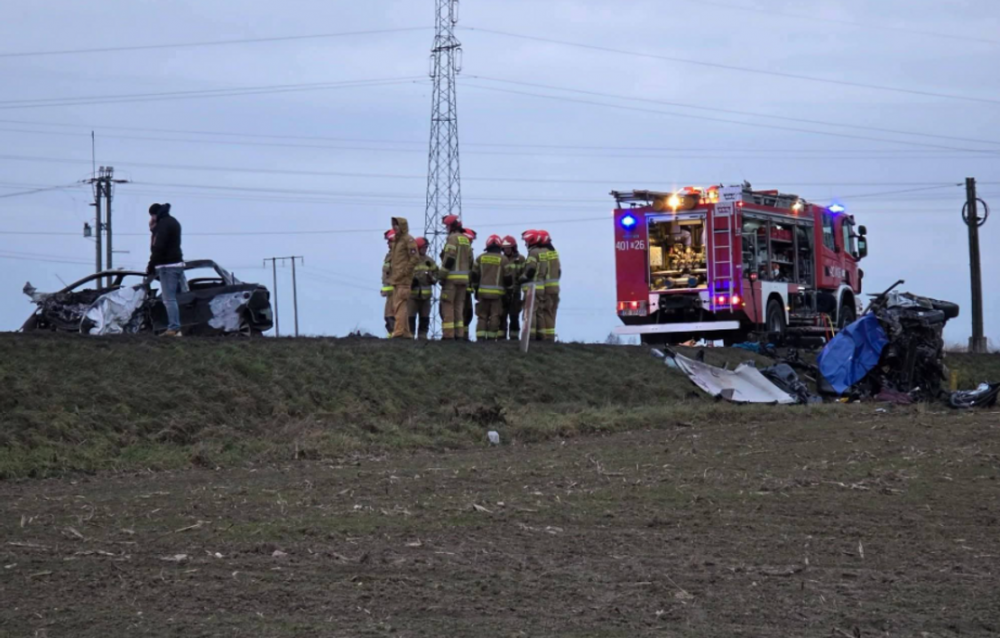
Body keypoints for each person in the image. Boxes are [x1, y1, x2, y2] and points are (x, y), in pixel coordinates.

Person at [148, 203, 186, 337]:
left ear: (154, 215)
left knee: (168, 299)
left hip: (167, 266)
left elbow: (158, 247)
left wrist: (151, 264)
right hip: (176, 264)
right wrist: (154, 230)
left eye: (151, 216)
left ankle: (174, 328)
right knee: (176, 298)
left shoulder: (163, 225)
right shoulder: (173, 222)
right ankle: (176, 327)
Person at [438, 215, 472, 339]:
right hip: (464, 279)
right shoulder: (465, 239)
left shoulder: (452, 238)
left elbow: (450, 258)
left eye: (447, 226)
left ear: (451, 226)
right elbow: (470, 260)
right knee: (459, 306)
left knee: (448, 305)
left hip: (451, 279)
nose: (446, 228)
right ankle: (459, 334)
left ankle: (448, 335)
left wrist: (442, 275)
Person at [387, 217, 421, 339]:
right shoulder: (397, 240)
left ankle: (399, 331)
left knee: (399, 305)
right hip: (397, 279)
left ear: (402, 226)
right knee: (400, 305)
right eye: (393, 225)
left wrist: (405, 272)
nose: (394, 227)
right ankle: (406, 332)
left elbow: (415, 258)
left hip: (403, 279)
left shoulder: (408, 240)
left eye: (396, 225)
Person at [471, 235, 509, 341]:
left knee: (482, 316)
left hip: (482, 293)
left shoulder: (480, 258)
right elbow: (508, 277)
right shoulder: (504, 259)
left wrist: (475, 289)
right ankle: (491, 338)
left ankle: (480, 337)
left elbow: (474, 275)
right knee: (495, 316)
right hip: (497, 294)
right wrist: (509, 291)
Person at [408, 237, 437, 340]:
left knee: (425, 317)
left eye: (426, 248)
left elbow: (436, 275)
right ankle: (410, 335)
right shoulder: (410, 261)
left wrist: (432, 278)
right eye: (423, 247)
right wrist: (411, 281)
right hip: (412, 295)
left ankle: (422, 335)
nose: (425, 249)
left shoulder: (430, 261)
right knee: (410, 317)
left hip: (426, 297)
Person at [519, 229, 546, 341]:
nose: (525, 244)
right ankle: (541, 337)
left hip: (532, 287)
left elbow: (531, 270)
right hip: (541, 287)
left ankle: (531, 336)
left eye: (526, 241)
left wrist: (521, 279)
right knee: (539, 313)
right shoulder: (543, 252)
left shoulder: (533, 253)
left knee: (530, 312)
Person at [537, 230, 561, 342]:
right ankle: (550, 337)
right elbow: (559, 271)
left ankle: (545, 337)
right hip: (555, 289)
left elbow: (540, 271)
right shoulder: (554, 253)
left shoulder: (542, 253)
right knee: (551, 313)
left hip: (546, 288)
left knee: (544, 312)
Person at [499, 235, 525, 340]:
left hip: (515, 292)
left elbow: (524, 274)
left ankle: (514, 337)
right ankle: (501, 337)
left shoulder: (521, 259)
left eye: (509, 248)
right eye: (505, 248)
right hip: (503, 292)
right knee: (502, 315)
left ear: (513, 248)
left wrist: (519, 283)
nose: (507, 250)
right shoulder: (501, 259)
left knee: (514, 316)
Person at [462, 228, 478, 341]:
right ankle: (461, 336)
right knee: (463, 313)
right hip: (463, 287)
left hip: (465, 288)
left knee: (466, 314)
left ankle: (464, 336)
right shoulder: (465, 251)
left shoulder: (467, 251)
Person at [381, 229, 396, 337]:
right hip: (390, 293)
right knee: (388, 317)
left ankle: (396, 337)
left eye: (389, 241)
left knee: (393, 316)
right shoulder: (390, 255)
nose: (388, 244)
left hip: (396, 292)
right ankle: (392, 337)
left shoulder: (398, 256)